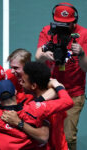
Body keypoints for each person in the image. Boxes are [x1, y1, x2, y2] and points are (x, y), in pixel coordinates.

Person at [36, 2, 87, 150]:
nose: (63, 27)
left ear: (75, 21)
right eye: (59, 23)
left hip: (73, 93)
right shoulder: (47, 31)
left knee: (68, 136)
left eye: (68, 24)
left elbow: (85, 68)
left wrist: (82, 53)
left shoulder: (84, 34)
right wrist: (45, 55)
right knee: (45, 133)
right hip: (49, 91)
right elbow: (37, 56)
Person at [6, 48, 68, 149]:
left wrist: (38, 102)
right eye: (11, 67)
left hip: (50, 136)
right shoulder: (10, 76)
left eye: (16, 68)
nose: (12, 71)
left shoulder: (38, 78)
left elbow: (58, 87)